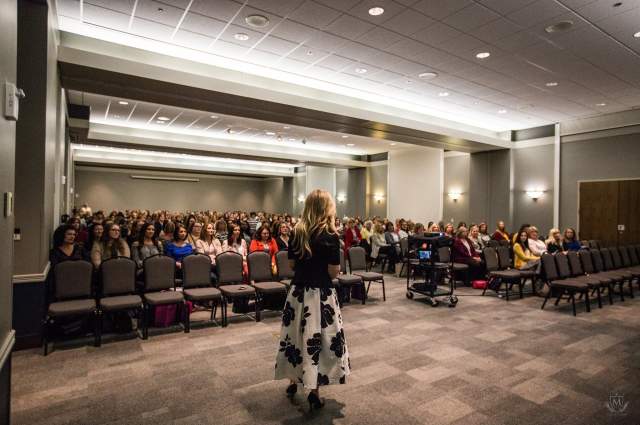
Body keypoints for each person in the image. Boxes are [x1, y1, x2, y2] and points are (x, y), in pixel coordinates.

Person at [274, 189, 350, 410]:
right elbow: (334, 272)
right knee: (318, 340)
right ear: (327, 208)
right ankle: (314, 390)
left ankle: (293, 380)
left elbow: (291, 265)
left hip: (298, 293)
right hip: (321, 296)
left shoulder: (297, 232)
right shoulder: (331, 235)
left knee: (296, 337)